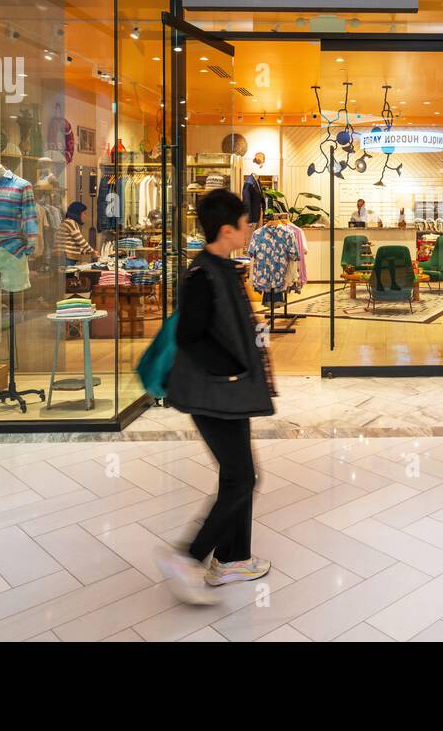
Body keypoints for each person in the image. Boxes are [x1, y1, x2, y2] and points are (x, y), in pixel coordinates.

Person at [153, 190, 275, 604]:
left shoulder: (223, 267)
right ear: (228, 230)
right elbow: (190, 336)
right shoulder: (202, 274)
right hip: (213, 395)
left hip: (229, 394)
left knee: (236, 473)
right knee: (243, 477)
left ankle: (233, 559)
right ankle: (187, 556)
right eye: (245, 222)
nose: (250, 228)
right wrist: (232, 370)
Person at [55, 201, 94, 266]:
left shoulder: (68, 222)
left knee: (70, 275)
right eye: (84, 213)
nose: (85, 216)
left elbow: (75, 246)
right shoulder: (70, 222)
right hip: (65, 257)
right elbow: (80, 240)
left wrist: (88, 252)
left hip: (65, 256)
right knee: (68, 275)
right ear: (78, 213)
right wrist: (92, 251)